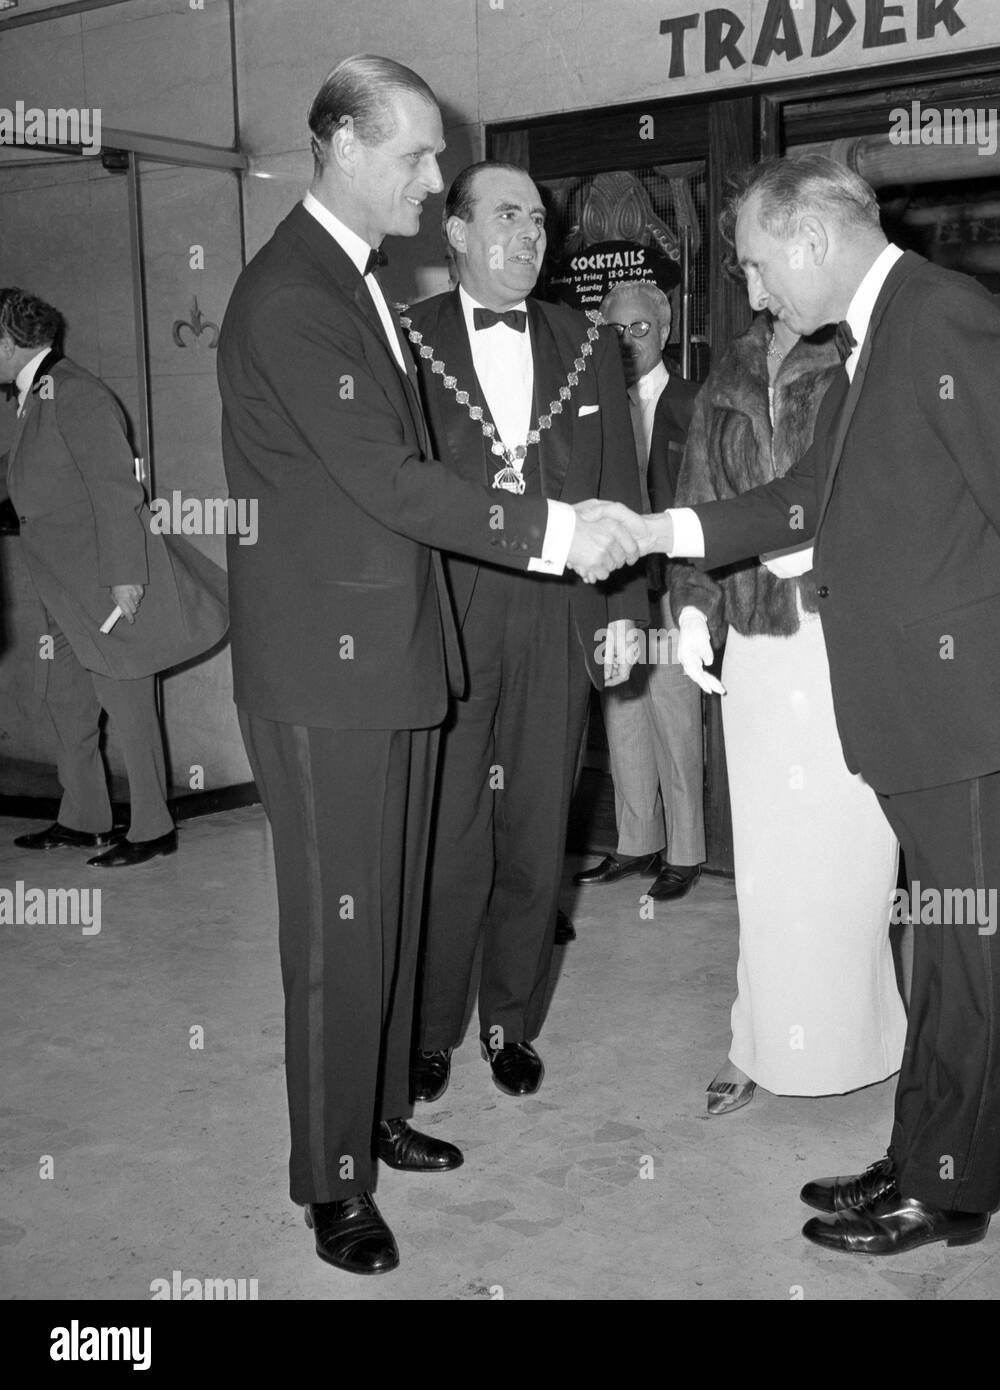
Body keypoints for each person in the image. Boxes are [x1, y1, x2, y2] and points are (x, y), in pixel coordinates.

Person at [632, 154, 1000, 1255]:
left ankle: (949, 1194)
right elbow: (801, 499)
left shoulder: (943, 322)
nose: (751, 292)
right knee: (939, 957)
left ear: (807, 239)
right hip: (912, 704)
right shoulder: (870, 344)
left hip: (974, 703)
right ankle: (916, 1151)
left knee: (975, 964)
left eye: (752, 264)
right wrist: (667, 531)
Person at [218, 59, 640, 1276]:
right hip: (326, 678)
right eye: (412, 157)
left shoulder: (355, 283)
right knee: (338, 938)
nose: (429, 178)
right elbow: (393, 481)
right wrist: (560, 533)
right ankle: (331, 1181)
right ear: (343, 147)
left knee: (395, 914)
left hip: (395, 657)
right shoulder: (296, 294)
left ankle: (382, 1115)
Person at [403, 162, 647, 1109]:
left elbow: (622, 486)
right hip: (450, 616)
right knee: (446, 834)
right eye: (504, 214)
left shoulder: (586, 340)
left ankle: (509, 1022)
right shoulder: (407, 339)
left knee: (536, 830)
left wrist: (626, 612)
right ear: (454, 233)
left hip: (557, 618)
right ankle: (428, 1031)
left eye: (538, 219)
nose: (528, 233)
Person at [668, 298, 906, 1116]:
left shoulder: (863, 356)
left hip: (845, 631)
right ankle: (755, 1040)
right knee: (768, 864)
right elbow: (697, 503)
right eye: (749, 262)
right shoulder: (724, 381)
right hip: (759, 644)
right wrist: (693, 607)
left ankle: (869, 1035)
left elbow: (907, 489)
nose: (760, 279)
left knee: (853, 858)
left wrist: (835, 542)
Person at [1, 288, 226, 867]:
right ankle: (84, 818)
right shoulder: (36, 396)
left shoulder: (74, 392)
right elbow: (39, 480)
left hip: (103, 584)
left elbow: (115, 487)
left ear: (6, 345)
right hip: (64, 588)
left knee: (127, 706)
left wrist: (126, 578)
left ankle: (153, 828)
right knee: (65, 704)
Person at [574, 279, 705, 904]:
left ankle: (684, 851)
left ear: (667, 328)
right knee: (622, 710)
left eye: (642, 329)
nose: (629, 343)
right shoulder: (593, 405)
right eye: (616, 331)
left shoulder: (696, 402)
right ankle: (635, 839)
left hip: (674, 585)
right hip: (614, 583)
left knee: (675, 719)